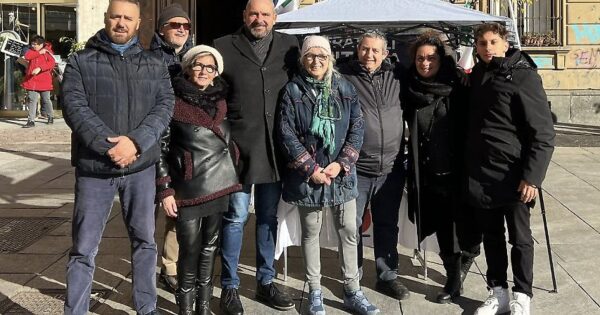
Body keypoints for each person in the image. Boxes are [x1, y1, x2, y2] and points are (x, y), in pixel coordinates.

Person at [61, 0, 174, 314]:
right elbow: (74, 107)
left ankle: (146, 307)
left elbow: (164, 108)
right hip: (95, 169)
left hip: (141, 168)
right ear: (106, 18)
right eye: (116, 17)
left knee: (145, 242)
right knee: (83, 248)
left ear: (139, 23)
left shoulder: (155, 63)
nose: (121, 23)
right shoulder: (81, 61)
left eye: (128, 18)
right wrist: (109, 145)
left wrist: (136, 143)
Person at [277, 35, 379, 315]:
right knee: (311, 234)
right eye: (310, 55)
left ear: (330, 58)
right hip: (308, 176)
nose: (316, 61)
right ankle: (315, 292)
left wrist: (342, 163)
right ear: (303, 59)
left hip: (341, 176)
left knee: (349, 231)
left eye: (322, 55)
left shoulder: (345, 88)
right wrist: (311, 169)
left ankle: (352, 290)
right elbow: (286, 134)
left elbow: (357, 129)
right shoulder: (293, 91)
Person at [212, 0, 299, 313]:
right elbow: (213, 96)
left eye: (265, 14)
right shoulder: (223, 47)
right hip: (237, 148)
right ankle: (229, 286)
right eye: (254, 14)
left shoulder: (292, 47)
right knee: (234, 218)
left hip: (276, 148)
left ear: (275, 18)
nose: (259, 19)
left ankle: (265, 281)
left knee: (267, 217)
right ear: (244, 16)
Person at [467, 23, 555, 315]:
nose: (487, 47)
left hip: (515, 176)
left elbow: (543, 133)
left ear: (505, 43)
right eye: (481, 43)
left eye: (493, 41)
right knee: (490, 236)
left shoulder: (524, 76)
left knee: (519, 238)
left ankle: (522, 293)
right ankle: (498, 292)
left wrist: (533, 177)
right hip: (482, 174)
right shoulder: (478, 75)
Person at [156, 45, 241, 315]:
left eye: (210, 67)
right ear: (188, 67)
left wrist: (235, 157)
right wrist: (165, 189)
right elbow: (161, 148)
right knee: (189, 249)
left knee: (210, 247)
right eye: (199, 65)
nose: (204, 71)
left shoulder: (221, 101)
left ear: (217, 73)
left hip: (220, 182)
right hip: (188, 186)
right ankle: (185, 308)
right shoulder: (172, 100)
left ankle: (203, 306)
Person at [403, 31, 480, 304]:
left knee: (469, 230)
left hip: (461, 172)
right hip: (428, 173)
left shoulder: (458, 84)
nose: (425, 63)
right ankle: (453, 279)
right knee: (443, 229)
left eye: (431, 58)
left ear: (441, 58)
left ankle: (466, 261)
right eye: (421, 58)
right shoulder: (409, 87)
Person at [337, 30, 410, 300]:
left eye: (375, 51)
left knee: (387, 223)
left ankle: (387, 274)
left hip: (391, 167)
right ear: (357, 50)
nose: (369, 55)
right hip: (356, 168)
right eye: (364, 49)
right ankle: (352, 280)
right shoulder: (343, 76)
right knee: (350, 227)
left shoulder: (397, 76)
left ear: (385, 54)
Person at [149, 3, 194, 293]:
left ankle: (170, 267)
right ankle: (145, 267)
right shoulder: (148, 59)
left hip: (179, 145)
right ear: (161, 28)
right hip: (152, 142)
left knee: (175, 211)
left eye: (185, 26)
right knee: (145, 215)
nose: (180, 29)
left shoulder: (189, 59)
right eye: (174, 24)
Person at [21, 35, 56, 128]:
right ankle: (31, 121)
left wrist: (40, 68)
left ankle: (50, 116)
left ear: (41, 44)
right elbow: (27, 56)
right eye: (32, 44)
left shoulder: (48, 52)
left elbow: (52, 63)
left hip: (44, 81)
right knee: (32, 100)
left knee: (46, 100)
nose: (33, 46)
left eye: (35, 44)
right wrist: (39, 52)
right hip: (32, 80)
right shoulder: (32, 51)